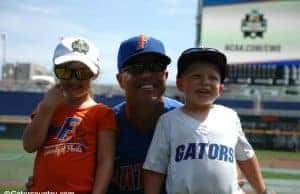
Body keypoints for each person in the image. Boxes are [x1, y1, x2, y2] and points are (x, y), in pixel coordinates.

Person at [143, 47, 270, 194]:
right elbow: (154, 168)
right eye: (196, 76)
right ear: (180, 84)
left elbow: (246, 156)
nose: (205, 82)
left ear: (221, 88)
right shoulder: (168, 121)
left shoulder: (230, 117)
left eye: (213, 78)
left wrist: (262, 191)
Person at [22, 36, 117, 194]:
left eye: (82, 72)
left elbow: (105, 162)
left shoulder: (102, 114)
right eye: (65, 71)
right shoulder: (46, 107)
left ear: (95, 74)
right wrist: (46, 108)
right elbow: (29, 145)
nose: (73, 79)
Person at [107, 35, 182, 194]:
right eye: (136, 68)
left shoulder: (186, 119)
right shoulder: (106, 124)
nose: (147, 74)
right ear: (120, 80)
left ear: (166, 76)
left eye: (156, 66)